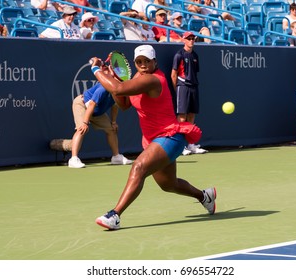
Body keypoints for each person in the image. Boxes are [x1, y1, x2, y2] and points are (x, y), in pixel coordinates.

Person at [91, 45, 216, 230]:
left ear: (154, 62)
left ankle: (114, 215)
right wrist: (112, 80)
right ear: (135, 63)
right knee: (169, 184)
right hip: (153, 140)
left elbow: (117, 89)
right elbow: (123, 102)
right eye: (139, 61)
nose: (143, 64)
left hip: (170, 136)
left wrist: (96, 70)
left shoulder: (153, 79)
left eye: (147, 61)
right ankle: (205, 196)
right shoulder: (137, 78)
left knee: (138, 167)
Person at [68, 83, 133, 168]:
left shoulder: (118, 91)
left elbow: (115, 106)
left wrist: (113, 122)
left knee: (111, 129)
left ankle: (116, 157)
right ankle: (73, 159)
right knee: (82, 129)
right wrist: (85, 123)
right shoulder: (103, 88)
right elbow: (91, 104)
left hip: (96, 111)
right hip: (82, 105)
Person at [171, 31, 208, 155]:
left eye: (193, 38)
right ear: (183, 40)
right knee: (182, 116)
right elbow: (173, 75)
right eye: (189, 38)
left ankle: (190, 144)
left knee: (192, 115)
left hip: (194, 87)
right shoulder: (179, 55)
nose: (191, 40)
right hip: (183, 86)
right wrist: (177, 89)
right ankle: (180, 146)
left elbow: (194, 73)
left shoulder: (195, 56)